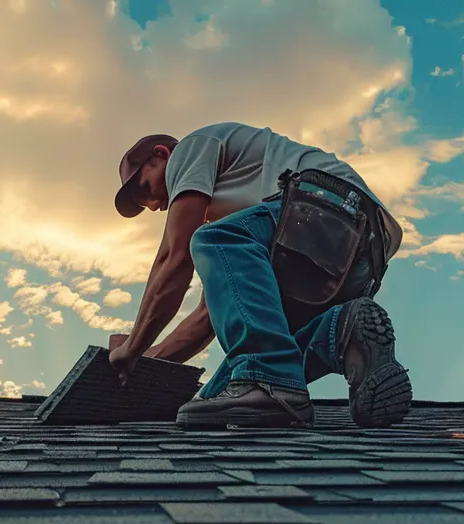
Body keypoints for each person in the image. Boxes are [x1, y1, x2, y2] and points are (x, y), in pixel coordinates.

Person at [105, 122, 412, 429]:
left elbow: (176, 255)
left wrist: (132, 346)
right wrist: (146, 362)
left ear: (160, 155)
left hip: (331, 206)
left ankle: (270, 380)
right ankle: (342, 333)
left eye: (146, 188)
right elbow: (208, 316)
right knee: (212, 397)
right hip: (362, 255)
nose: (156, 205)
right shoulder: (238, 235)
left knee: (210, 240)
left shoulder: (191, 147)